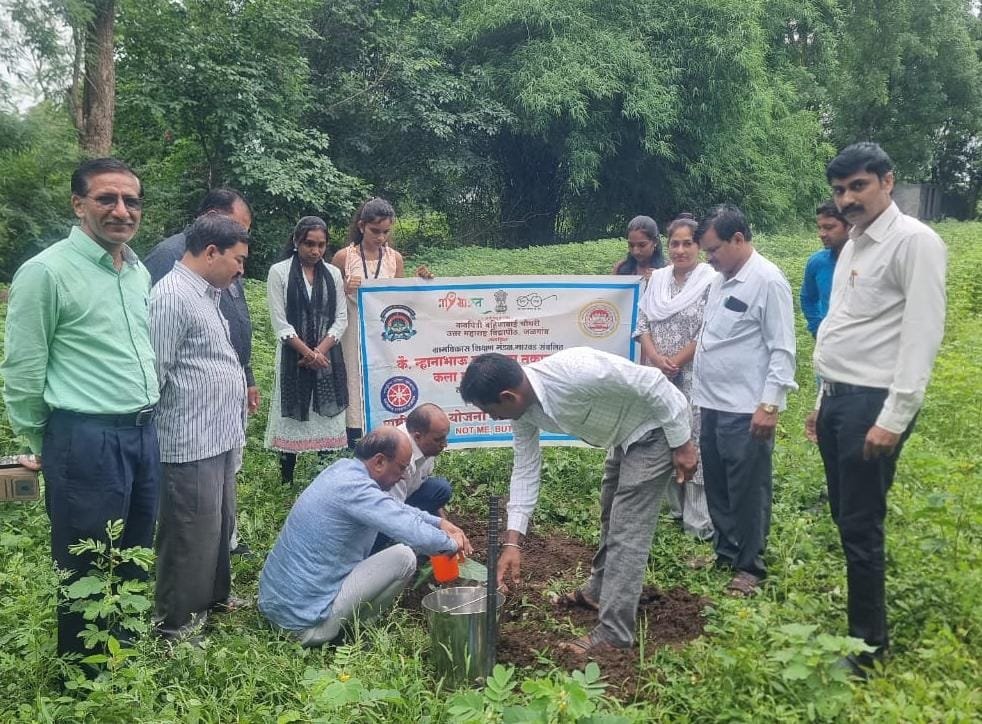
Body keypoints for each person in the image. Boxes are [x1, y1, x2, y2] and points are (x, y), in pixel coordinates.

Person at [2, 158, 160, 660]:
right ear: (78, 204)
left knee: (135, 552)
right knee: (85, 562)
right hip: (85, 437)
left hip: (142, 432)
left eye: (131, 201)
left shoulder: (137, 271)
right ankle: (85, 678)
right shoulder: (46, 272)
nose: (121, 210)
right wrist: (41, 440)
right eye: (106, 199)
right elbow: (23, 369)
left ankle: (126, 653)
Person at [459, 348, 697, 657]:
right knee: (610, 513)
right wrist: (513, 542)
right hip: (623, 436)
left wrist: (683, 443)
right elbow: (525, 468)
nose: (493, 418)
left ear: (508, 396)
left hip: (655, 429)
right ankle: (597, 592)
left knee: (627, 532)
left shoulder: (574, 370)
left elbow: (653, 382)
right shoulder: (523, 412)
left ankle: (614, 634)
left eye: (490, 410)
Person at [813, 142, 946, 679]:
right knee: (846, 517)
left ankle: (869, 649)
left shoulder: (916, 243)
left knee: (862, 524)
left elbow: (922, 333)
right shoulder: (854, 245)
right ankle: (861, 625)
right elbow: (845, 323)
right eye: (840, 191)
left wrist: (894, 417)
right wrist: (821, 399)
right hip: (838, 399)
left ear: (888, 182)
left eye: (858, 186)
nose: (847, 199)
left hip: (873, 402)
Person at [258, 428, 472, 647]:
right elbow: (412, 531)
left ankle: (341, 625)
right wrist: (452, 544)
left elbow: (394, 507)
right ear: (379, 461)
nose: (405, 475)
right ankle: (352, 633)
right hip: (303, 626)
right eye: (401, 467)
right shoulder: (357, 491)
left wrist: (439, 522)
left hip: (275, 608)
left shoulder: (343, 470)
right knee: (404, 557)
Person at [150, 214, 251, 640]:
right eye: (238, 259)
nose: (241, 269)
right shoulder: (172, 295)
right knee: (190, 532)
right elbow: (155, 371)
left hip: (218, 436)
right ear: (211, 252)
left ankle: (213, 599)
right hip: (189, 439)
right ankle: (178, 625)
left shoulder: (206, 294)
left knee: (218, 526)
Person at [143, 187, 258, 556]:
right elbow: (160, 357)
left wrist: (246, 377)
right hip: (189, 427)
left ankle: (223, 547)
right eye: (238, 228)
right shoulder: (170, 262)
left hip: (219, 417)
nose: (243, 249)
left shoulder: (225, 260)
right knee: (191, 508)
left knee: (218, 494)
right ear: (212, 221)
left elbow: (233, 322)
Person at [692, 204, 797, 598]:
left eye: (714, 249)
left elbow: (782, 349)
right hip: (712, 404)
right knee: (717, 484)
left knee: (748, 489)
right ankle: (726, 552)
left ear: (738, 239)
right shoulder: (721, 279)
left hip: (746, 407)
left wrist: (770, 404)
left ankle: (750, 566)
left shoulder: (767, 281)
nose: (710, 258)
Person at [635, 213, 717, 540]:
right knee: (662, 438)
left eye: (688, 243)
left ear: (699, 246)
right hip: (657, 376)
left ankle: (698, 524)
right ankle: (674, 512)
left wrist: (677, 362)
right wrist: (656, 359)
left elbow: (709, 329)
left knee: (692, 441)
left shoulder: (710, 281)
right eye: (675, 243)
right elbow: (641, 325)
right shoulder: (657, 280)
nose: (680, 250)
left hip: (694, 375)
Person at [331, 198, 432, 449]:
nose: (380, 238)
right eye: (375, 231)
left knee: (383, 378)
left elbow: (398, 299)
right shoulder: (344, 257)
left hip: (384, 335)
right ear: (362, 225)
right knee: (352, 382)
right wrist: (343, 288)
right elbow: (328, 299)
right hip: (351, 331)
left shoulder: (394, 259)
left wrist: (420, 282)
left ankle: (383, 438)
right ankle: (352, 441)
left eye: (386, 232)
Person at [265, 217, 349, 484]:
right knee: (292, 414)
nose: (315, 251)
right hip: (293, 358)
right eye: (309, 244)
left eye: (321, 245)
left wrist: (319, 352)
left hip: (327, 356)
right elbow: (280, 322)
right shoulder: (278, 272)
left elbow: (341, 319)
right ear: (296, 242)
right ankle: (286, 481)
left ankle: (323, 478)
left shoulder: (334, 274)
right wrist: (307, 354)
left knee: (326, 412)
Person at [372, 403, 454, 552]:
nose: (445, 444)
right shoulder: (399, 457)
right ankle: (381, 548)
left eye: (444, 438)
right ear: (418, 436)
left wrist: (444, 525)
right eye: (439, 440)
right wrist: (435, 542)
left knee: (441, 488)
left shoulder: (427, 445)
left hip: (402, 499)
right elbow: (390, 510)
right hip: (378, 511)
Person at [801, 201, 851, 338]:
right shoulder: (817, 262)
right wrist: (817, 328)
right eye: (820, 228)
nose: (821, 234)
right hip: (829, 345)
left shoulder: (868, 262)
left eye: (829, 227)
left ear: (849, 226)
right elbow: (807, 298)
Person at [612, 215, 665, 280]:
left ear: (655, 242)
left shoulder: (668, 271)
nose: (635, 251)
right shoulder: (620, 268)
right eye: (631, 245)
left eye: (642, 245)